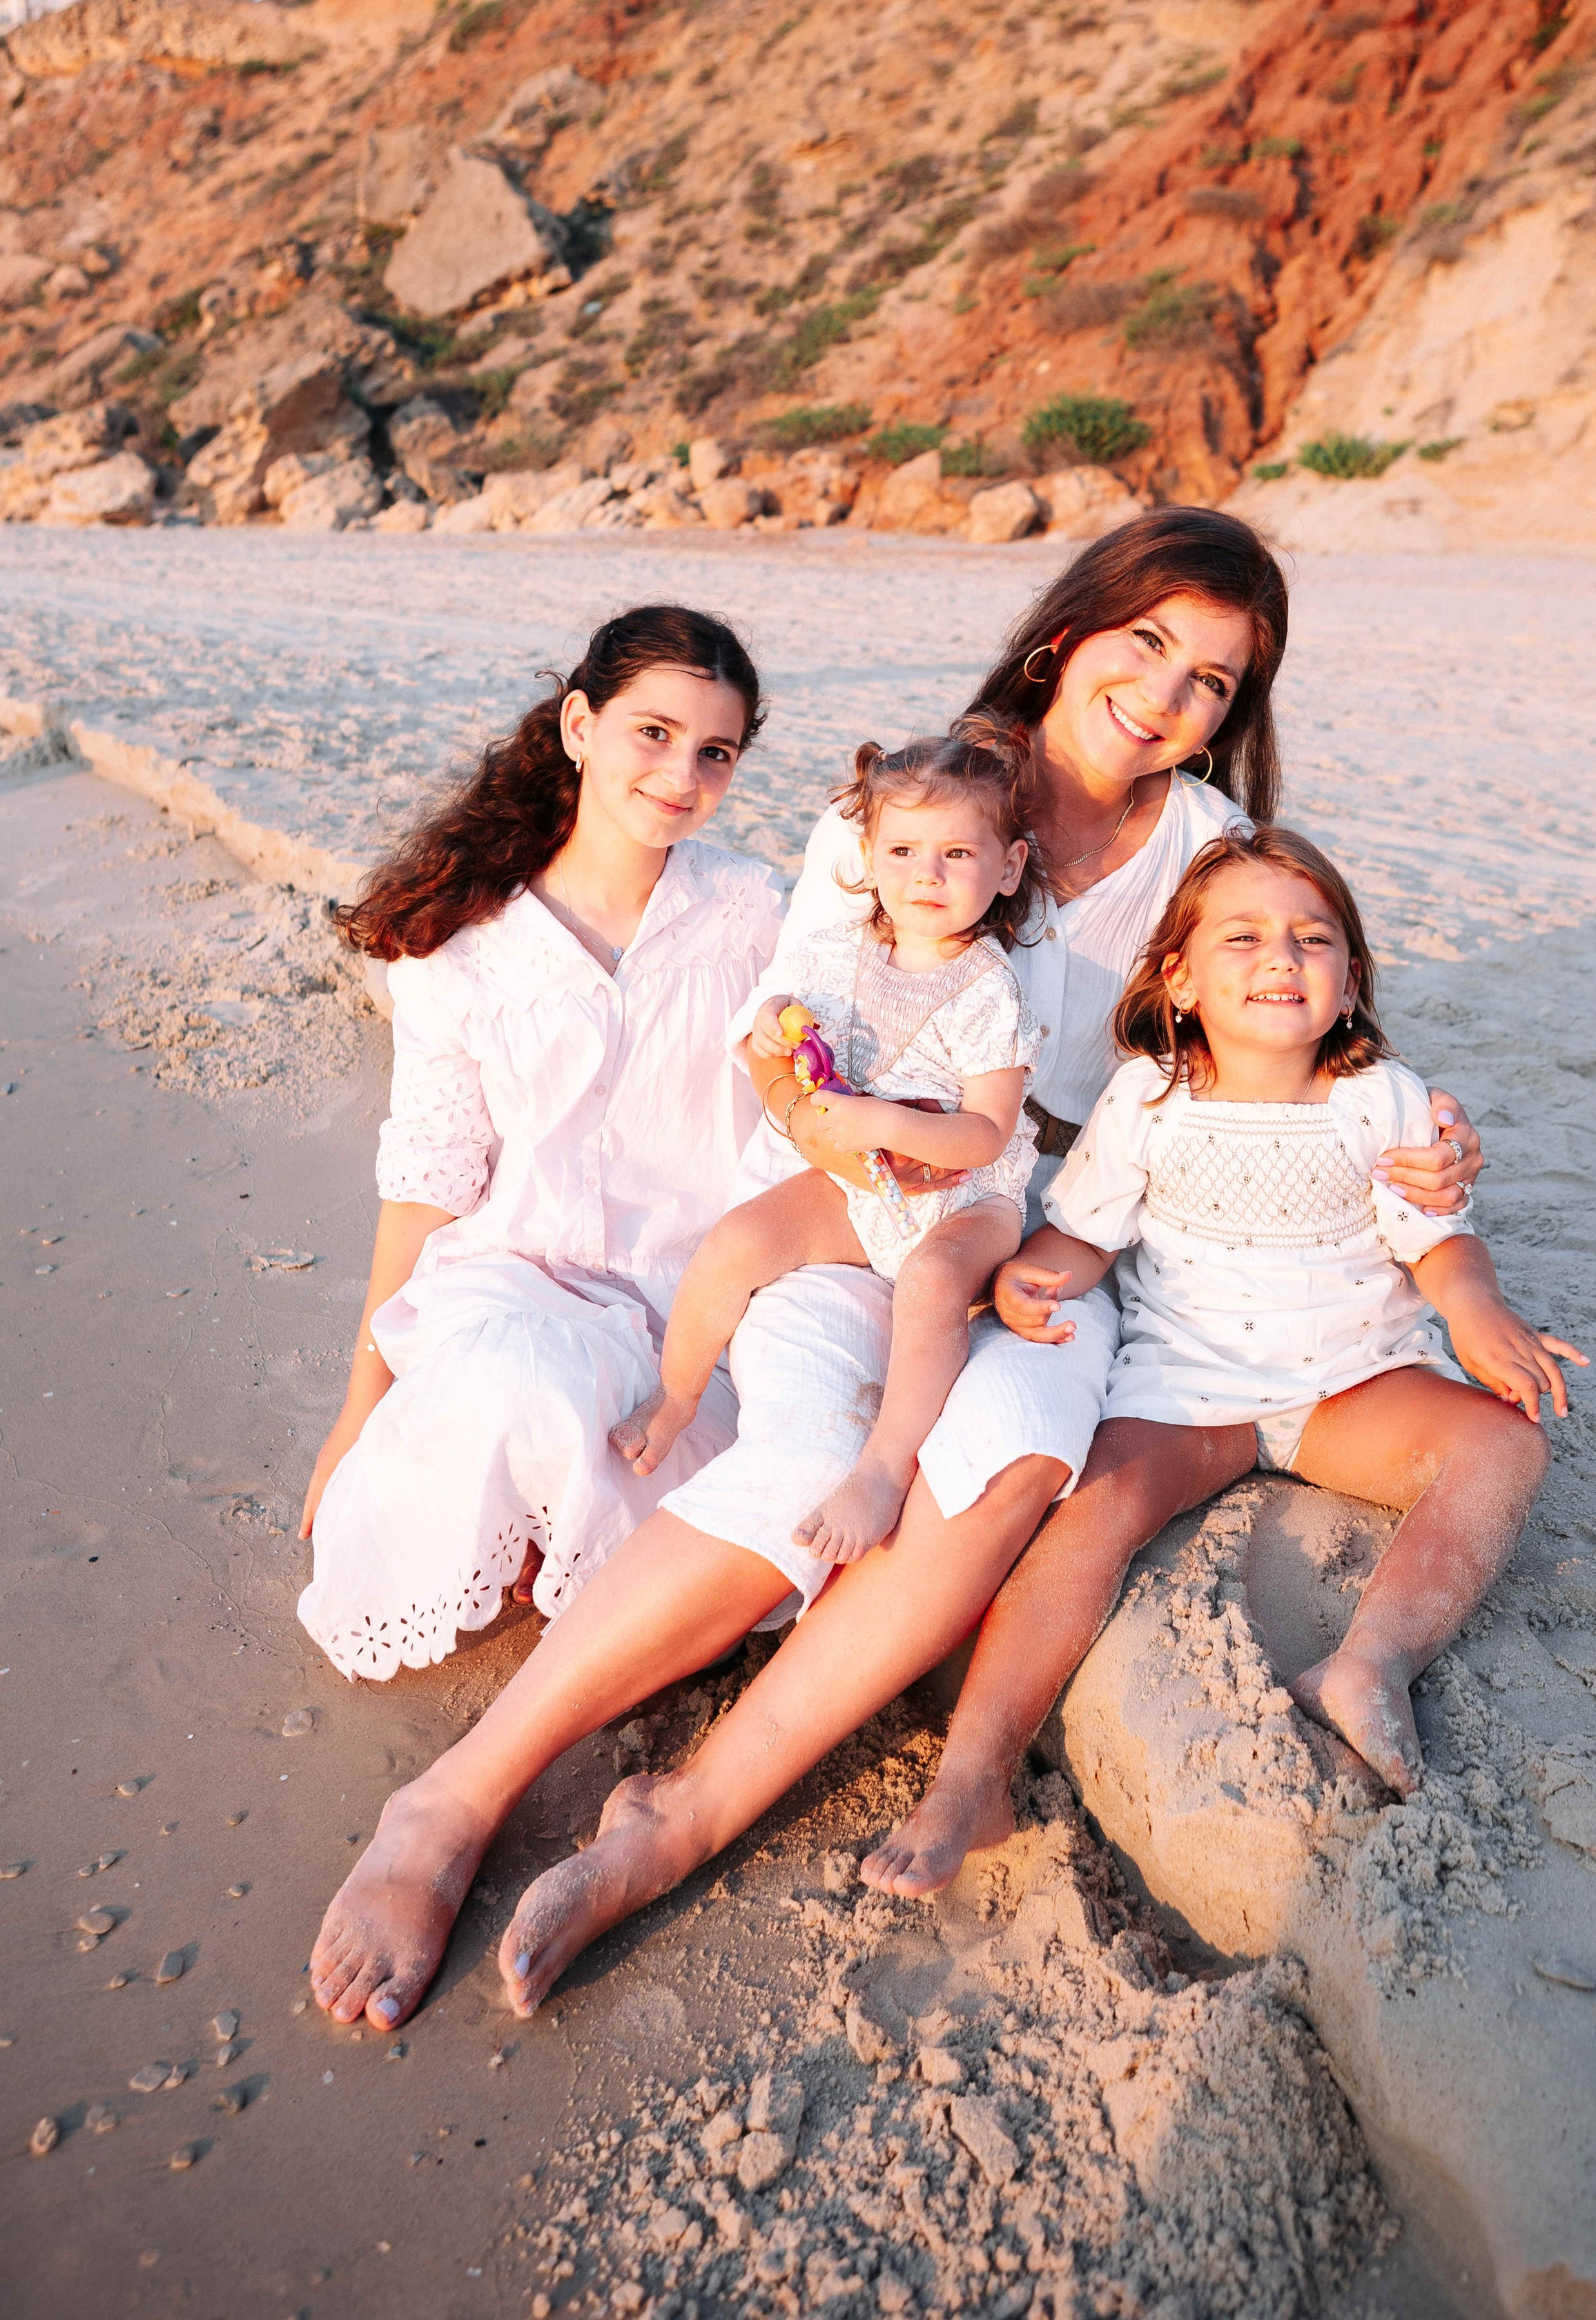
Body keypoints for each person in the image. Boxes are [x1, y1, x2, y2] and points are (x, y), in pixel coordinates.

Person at [306, 509, 1483, 2033]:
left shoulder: (1202, 850)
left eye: (1212, 680)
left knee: (999, 1472)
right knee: (808, 1449)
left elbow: (1271, 1013)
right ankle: (450, 1806)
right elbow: (784, 1045)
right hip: (844, 1198)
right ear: (1072, 630)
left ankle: (678, 1821)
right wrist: (882, 1155)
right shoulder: (910, 803)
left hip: (1052, 1229)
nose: (1168, 694)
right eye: (1148, 644)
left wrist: (1419, 1144)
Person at [988, 824, 1578, 1799]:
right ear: (1178, 979)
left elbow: (1436, 1238)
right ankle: (980, 1765)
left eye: (1313, 938)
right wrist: (1030, 1276)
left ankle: (1370, 1661)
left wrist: (1477, 1313)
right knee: (1088, 1512)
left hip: (1355, 1380)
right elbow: (1088, 1232)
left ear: (1348, 983)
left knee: (1506, 1450)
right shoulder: (1147, 1096)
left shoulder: (1377, 1097)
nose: (1282, 956)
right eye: (1244, 938)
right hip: (1187, 1385)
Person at [295, 606, 783, 1678]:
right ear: (578, 725)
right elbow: (429, 1175)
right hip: (518, 1283)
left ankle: (561, 1532)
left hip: (692, 1301)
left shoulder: (753, 913)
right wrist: (360, 1410)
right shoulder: (459, 947)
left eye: (715, 753)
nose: (680, 775)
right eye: (651, 734)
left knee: (678, 1464)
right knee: (520, 1385)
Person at [616, 718, 1044, 1566]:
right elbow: (782, 1024)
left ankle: (882, 1470)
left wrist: (886, 1122)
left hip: (968, 1195)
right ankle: (674, 1395)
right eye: (903, 852)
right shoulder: (839, 949)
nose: (926, 875)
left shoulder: (990, 987)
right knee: (740, 1239)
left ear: (1008, 868)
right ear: (870, 857)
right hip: (866, 1181)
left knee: (928, 1284)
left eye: (957, 855)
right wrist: (778, 1023)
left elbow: (989, 1132)